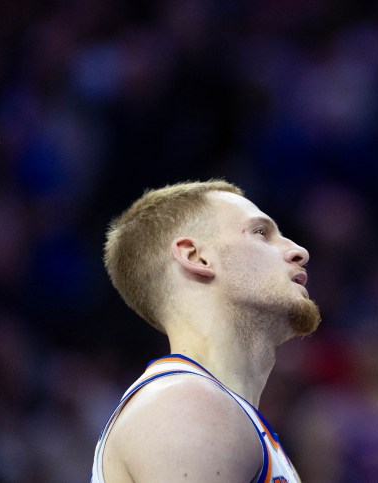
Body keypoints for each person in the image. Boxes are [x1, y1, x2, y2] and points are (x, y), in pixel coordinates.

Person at [91, 180, 320, 482]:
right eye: (261, 233)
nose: (299, 251)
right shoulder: (186, 404)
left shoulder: (211, 407)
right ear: (196, 257)